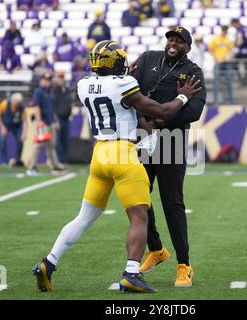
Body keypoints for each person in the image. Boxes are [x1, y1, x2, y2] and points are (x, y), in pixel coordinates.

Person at [32, 40, 201, 293]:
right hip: (123, 154)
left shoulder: (84, 85)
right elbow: (162, 110)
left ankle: (49, 262)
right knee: (139, 217)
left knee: (84, 217)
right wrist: (182, 96)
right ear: (115, 63)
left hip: (99, 155)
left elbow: (122, 106)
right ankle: (132, 273)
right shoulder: (124, 84)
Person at [131, 26, 207, 287]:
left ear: (188, 47)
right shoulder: (149, 58)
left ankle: (184, 264)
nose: (173, 43)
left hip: (171, 142)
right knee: (138, 197)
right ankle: (156, 249)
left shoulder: (194, 72)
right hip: (143, 137)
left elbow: (194, 111)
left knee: (171, 202)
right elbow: (132, 96)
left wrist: (159, 123)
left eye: (179, 40)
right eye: (170, 39)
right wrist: (144, 121)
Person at [26, 72, 66, 175]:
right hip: (42, 123)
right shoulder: (39, 92)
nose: (47, 82)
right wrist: (39, 121)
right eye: (45, 80)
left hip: (50, 122)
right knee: (38, 144)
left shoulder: (48, 91)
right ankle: (32, 167)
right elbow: (36, 106)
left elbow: (51, 109)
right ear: (41, 81)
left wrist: (55, 120)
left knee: (51, 145)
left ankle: (54, 165)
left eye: (49, 80)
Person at [0, 93, 27, 167]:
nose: (19, 104)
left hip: (16, 126)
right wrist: (2, 127)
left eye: (20, 102)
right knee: (2, 141)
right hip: (6, 124)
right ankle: (5, 161)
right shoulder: (5, 104)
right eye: (17, 103)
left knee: (20, 141)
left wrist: (24, 133)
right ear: (13, 100)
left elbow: (25, 121)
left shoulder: (22, 107)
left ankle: (17, 160)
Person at [209, 25, 235, 105]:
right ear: (221, 30)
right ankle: (215, 102)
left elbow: (232, 50)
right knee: (216, 83)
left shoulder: (229, 40)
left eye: (226, 30)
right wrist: (216, 57)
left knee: (229, 82)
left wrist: (230, 56)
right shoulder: (215, 39)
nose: (225, 31)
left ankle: (230, 102)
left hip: (227, 63)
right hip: (218, 63)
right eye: (224, 30)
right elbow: (210, 50)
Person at [51, 71, 72, 164]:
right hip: (58, 119)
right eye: (60, 78)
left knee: (65, 142)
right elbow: (52, 107)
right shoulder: (54, 91)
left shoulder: (67, 90)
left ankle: (63, 160)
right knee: (58, 142)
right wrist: (55, 120)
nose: (62, 80)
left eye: (63, 78)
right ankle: (59, 161)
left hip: (66, 119)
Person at [231, 18, 247, 86]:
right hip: (239, 51)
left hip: (245, 51)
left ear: (236, 23)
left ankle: (245, 80)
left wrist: (242, 43)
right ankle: (240, 79)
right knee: (234, 64)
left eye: (233, 24)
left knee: (246, 66)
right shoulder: (237, 30)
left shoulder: (245, 29)